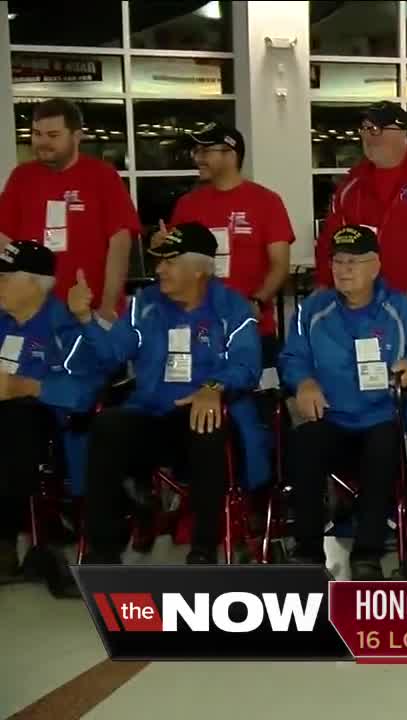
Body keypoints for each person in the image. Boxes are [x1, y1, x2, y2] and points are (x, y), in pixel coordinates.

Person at [75, 223, 265, 565]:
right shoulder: (144, 305)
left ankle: (204, 546)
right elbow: (110, 355)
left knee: (206, 423)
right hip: (150, 414)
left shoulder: (232, 308)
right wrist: (86, 319)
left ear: (198, 269)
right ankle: (103, 549)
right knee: (107, 426)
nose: (159, 269)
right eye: (159, 261)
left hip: (201, 416)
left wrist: (213, 388)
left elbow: (247, 364)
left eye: (169, 262)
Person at [314, 101, 407, 499]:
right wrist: (324, 288)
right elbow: (329, 243)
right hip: (357, 311)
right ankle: (362, 480)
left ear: (402, 133)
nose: (369, 138)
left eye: (377, 130)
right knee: (357, 388)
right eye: (364, 130)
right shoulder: (350, 186)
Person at [279, 225, 407, 580]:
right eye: (337, 261)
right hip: (333, 419)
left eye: (353, 262)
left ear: (376, 266)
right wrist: (303, 382)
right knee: (303, 442)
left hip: (385, 418)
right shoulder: (313, 310)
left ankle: (367, 551)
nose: (343, 269)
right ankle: (307, 550)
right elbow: (293, 356)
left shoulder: (402, 310)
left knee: (384, 444)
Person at [0, 242, 105, 595]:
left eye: (2, 278)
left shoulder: (65, 328)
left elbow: (84, 392)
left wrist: (28, 386)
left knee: (18, 416)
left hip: (51, 427)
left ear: (33, 284)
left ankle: (6, 542)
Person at [154, 122, 294, 362]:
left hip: (251, 328)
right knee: (197, 397)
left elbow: (280, 264)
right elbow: (174, 262)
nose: (198, 158)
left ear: (231, 154)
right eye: (196, 151)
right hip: (197, 329)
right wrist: (161, 247)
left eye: (206, 151)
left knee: (258, 396)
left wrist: (257, 302)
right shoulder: (188, 204)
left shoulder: (266, 202)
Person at [0, 99, 141, 319]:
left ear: (76, 136)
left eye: (53, 135)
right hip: (33, 313)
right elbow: (4, 238)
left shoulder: (102, 176)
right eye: (37, 134)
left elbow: (120, 244)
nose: (42, 142)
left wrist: (108, 306)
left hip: (89, 312)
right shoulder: (22, 177)